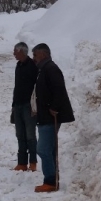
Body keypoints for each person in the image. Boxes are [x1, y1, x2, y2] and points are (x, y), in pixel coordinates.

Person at [31, 43, 75, 192]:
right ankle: (52, 180)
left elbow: (59, 89)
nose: (33, 58)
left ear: (43, 54)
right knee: (48, 149)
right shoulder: (43, 69)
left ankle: (50, 181)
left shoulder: (51, 69)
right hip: (44, 116)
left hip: (50, 116)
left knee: (43, 149)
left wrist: (54, 107)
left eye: (35, 55)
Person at [11, 42, 38, 172]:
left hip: (28, 106)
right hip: (18, 105)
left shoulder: (33, 66)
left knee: (30, 135)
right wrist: (13, 106)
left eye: (15, 51)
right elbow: (17, 87)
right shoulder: (18, 66)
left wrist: (35, 106)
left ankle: (33, 162)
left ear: (22, 51)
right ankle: (22, 162)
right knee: (20, 134)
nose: (13, 54)